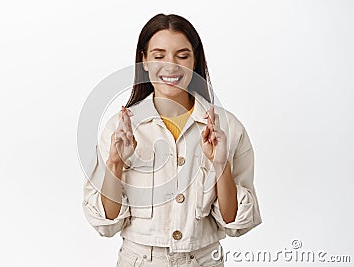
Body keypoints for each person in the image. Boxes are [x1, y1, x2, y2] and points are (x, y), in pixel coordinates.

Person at [82, 13, 262, 266]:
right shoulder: (120, 128)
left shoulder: (227, 127)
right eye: (159, 56)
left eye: (182, 55)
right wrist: (115, 164)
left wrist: (221, 165)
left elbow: (234, 223)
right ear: (143, 60)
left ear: (195, 60)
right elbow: (108, 223)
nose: (171, 66)